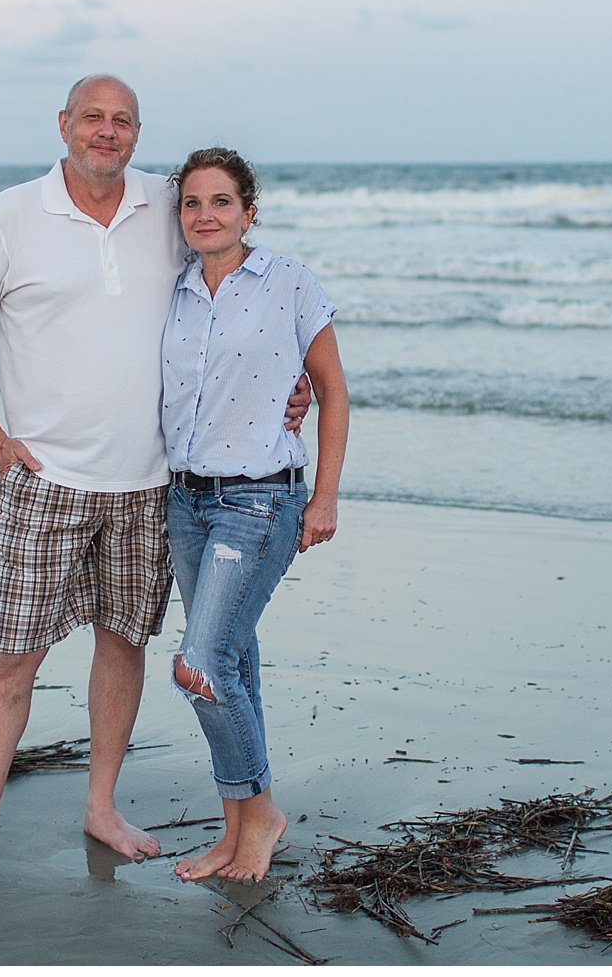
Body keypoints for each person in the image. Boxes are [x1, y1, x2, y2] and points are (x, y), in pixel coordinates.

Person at [0, 78, 311, 904]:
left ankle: (101, 805)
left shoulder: (167, 207)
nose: (106, 131)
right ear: (62, 125)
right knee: (9, 661)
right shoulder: (9, 216)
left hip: (152, 485)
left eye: (122, 120)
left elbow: (243, 296)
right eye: (91, 118)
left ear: (137, 134)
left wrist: (296, 385)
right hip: (47, 482)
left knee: (122, 644)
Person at [159, 146, 349, 885]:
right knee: (231, 659)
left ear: (248, 209)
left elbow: (330, 390)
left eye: (220, 201)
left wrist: (325, 495)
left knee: (199, 665)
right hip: (184, 501)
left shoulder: (288, 282)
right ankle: (235, 828)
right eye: (191, 203)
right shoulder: (171, 290)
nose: (205, 215)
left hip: (261, 499)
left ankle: (259, 812)